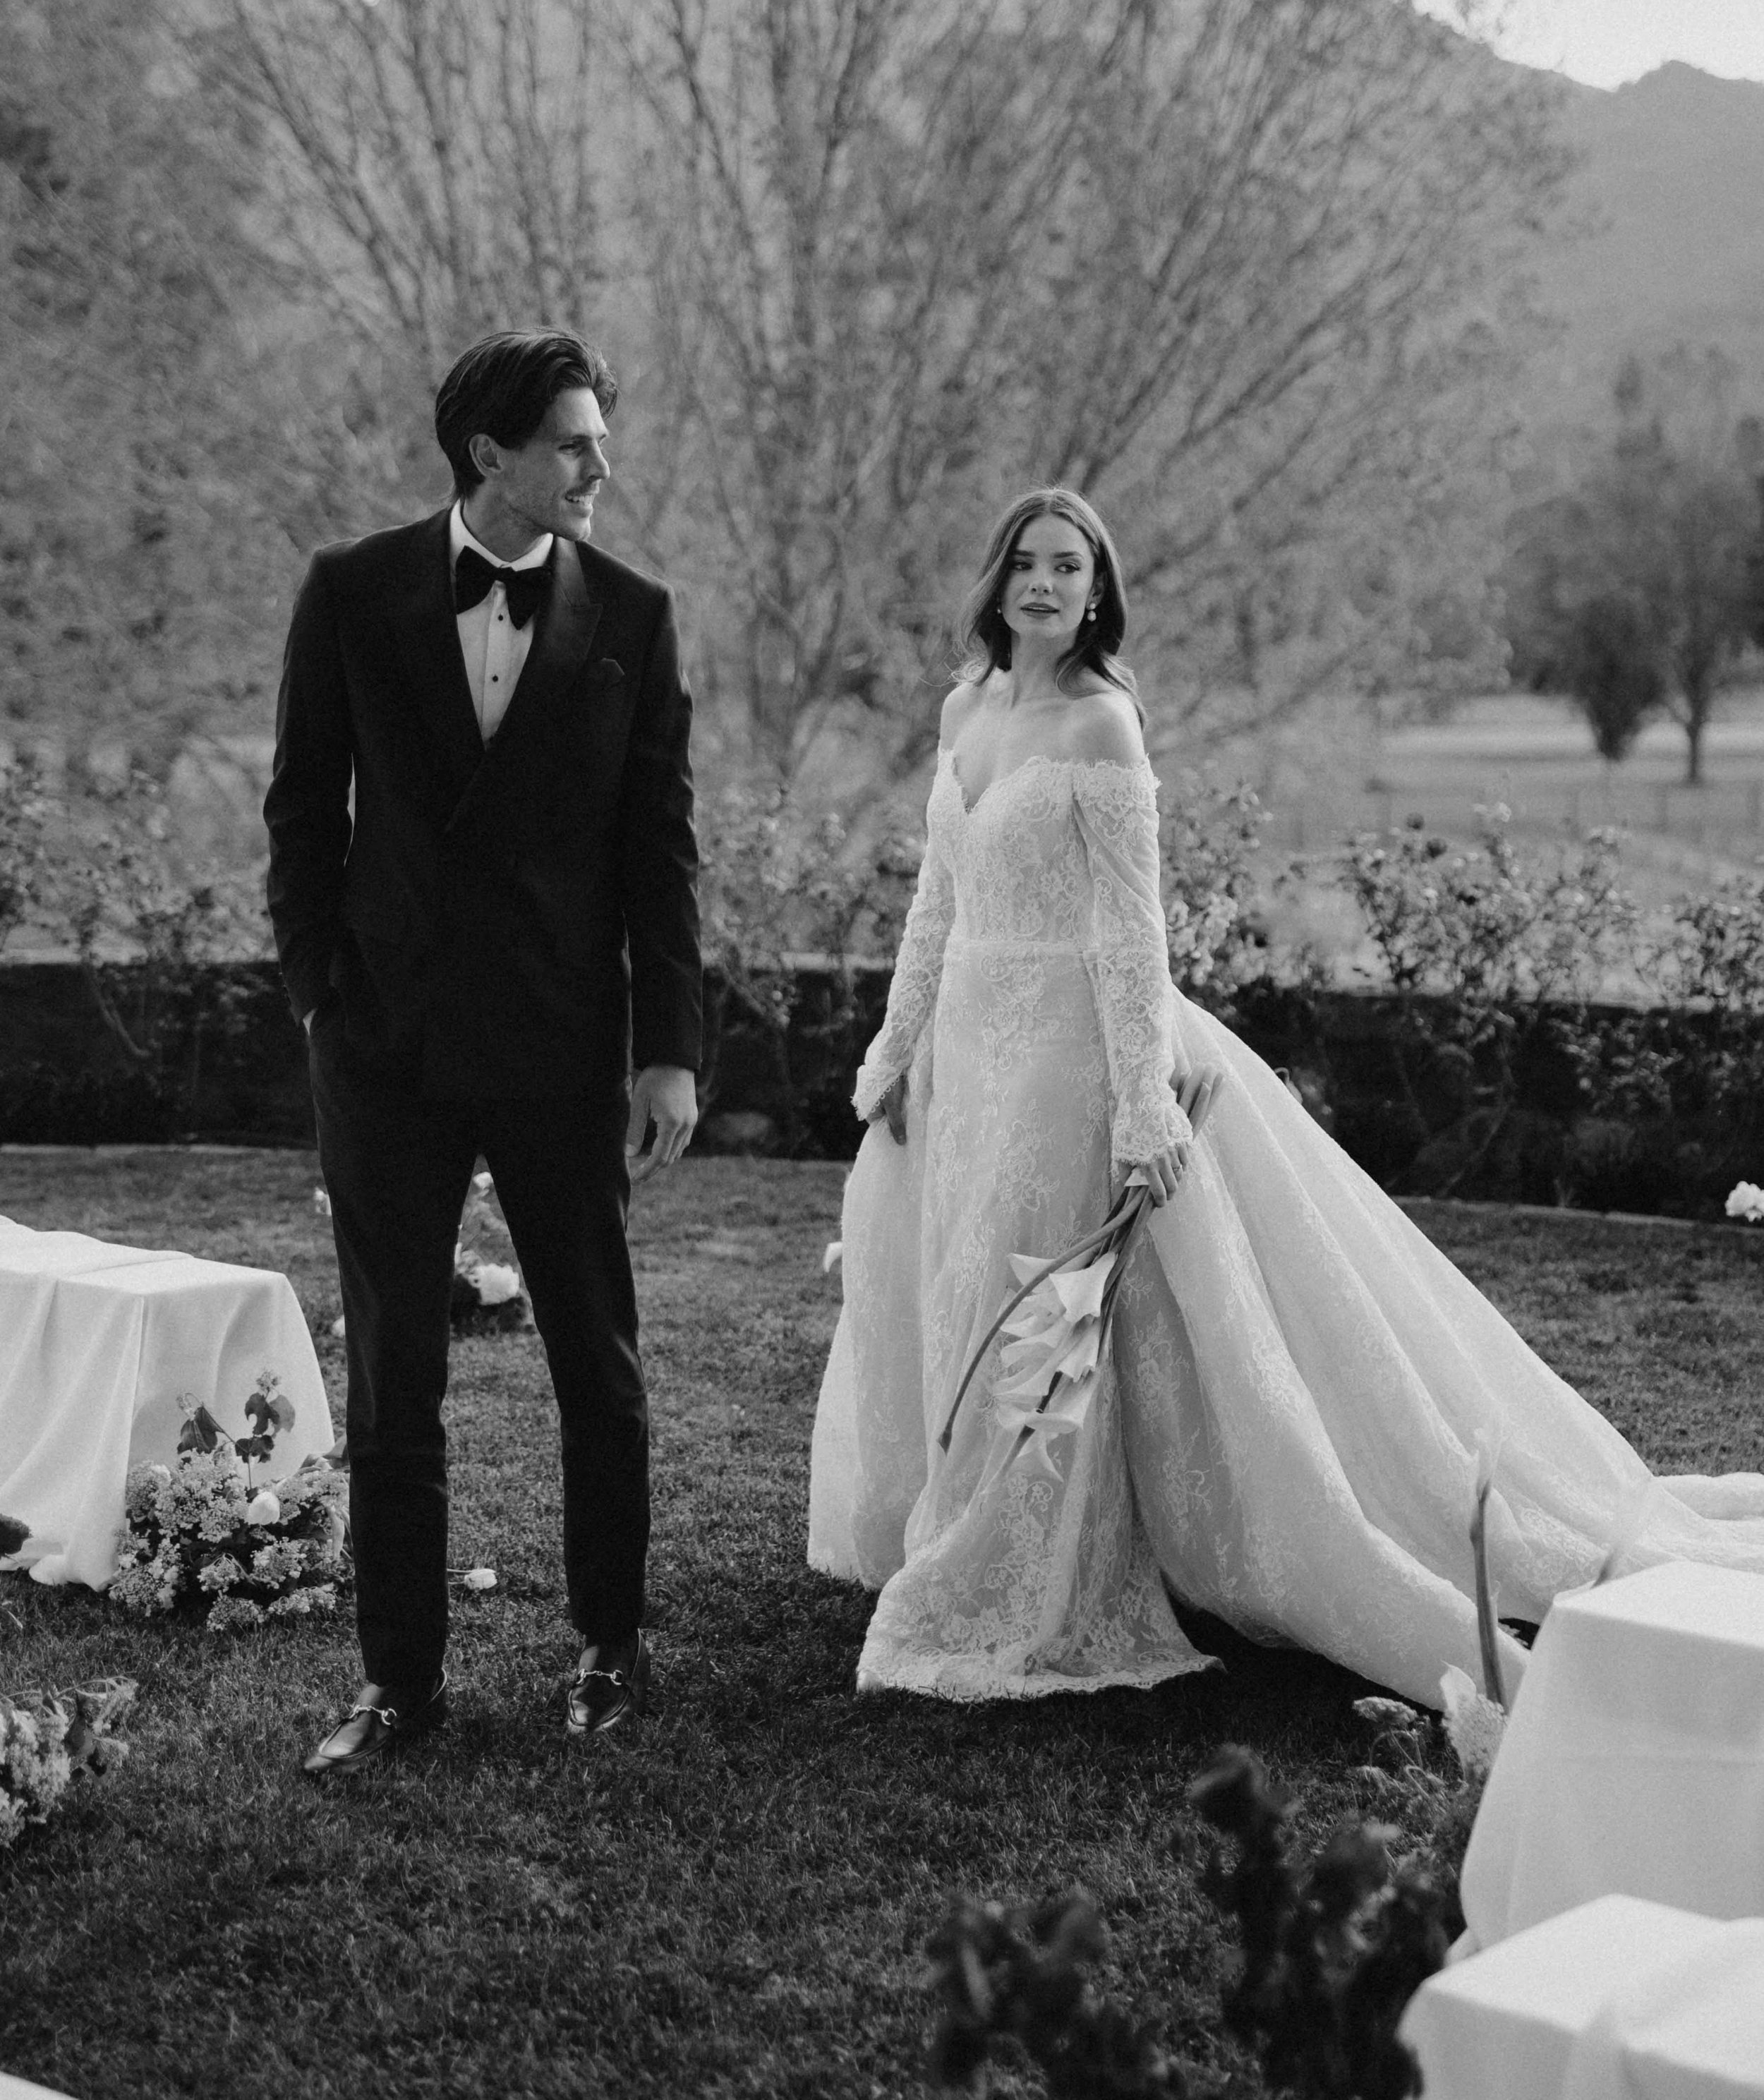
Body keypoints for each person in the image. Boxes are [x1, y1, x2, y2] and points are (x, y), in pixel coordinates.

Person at [808, 486, 1764, 1705]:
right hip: (968, 1062)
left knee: (1047, 1301)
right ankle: (961, 1523)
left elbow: (1130, 935)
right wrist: (893, 1050)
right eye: (1026, 565)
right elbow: (937, 904)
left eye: (1070, 568)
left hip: (1067, 1057)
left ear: (1097, 594)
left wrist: (1145, 1104)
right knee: (966, 1286)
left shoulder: (1105, 727)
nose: (1045, 586)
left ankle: (1035, 1569)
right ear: (995, 583)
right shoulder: (968, 708)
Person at [266, 328, 700, 1775]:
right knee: (396, 1372)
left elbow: (660, 853)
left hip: (564, 1045)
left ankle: (608, 1646)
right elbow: (298, 810)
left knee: (597, 1355)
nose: (598, 465)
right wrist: (321, 995)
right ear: (488, 455)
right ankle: (398, 1687)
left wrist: (667, 1053)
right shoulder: (350, 591)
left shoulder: (633, 615)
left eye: (597, 438)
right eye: (573, 442)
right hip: (383, 1045)